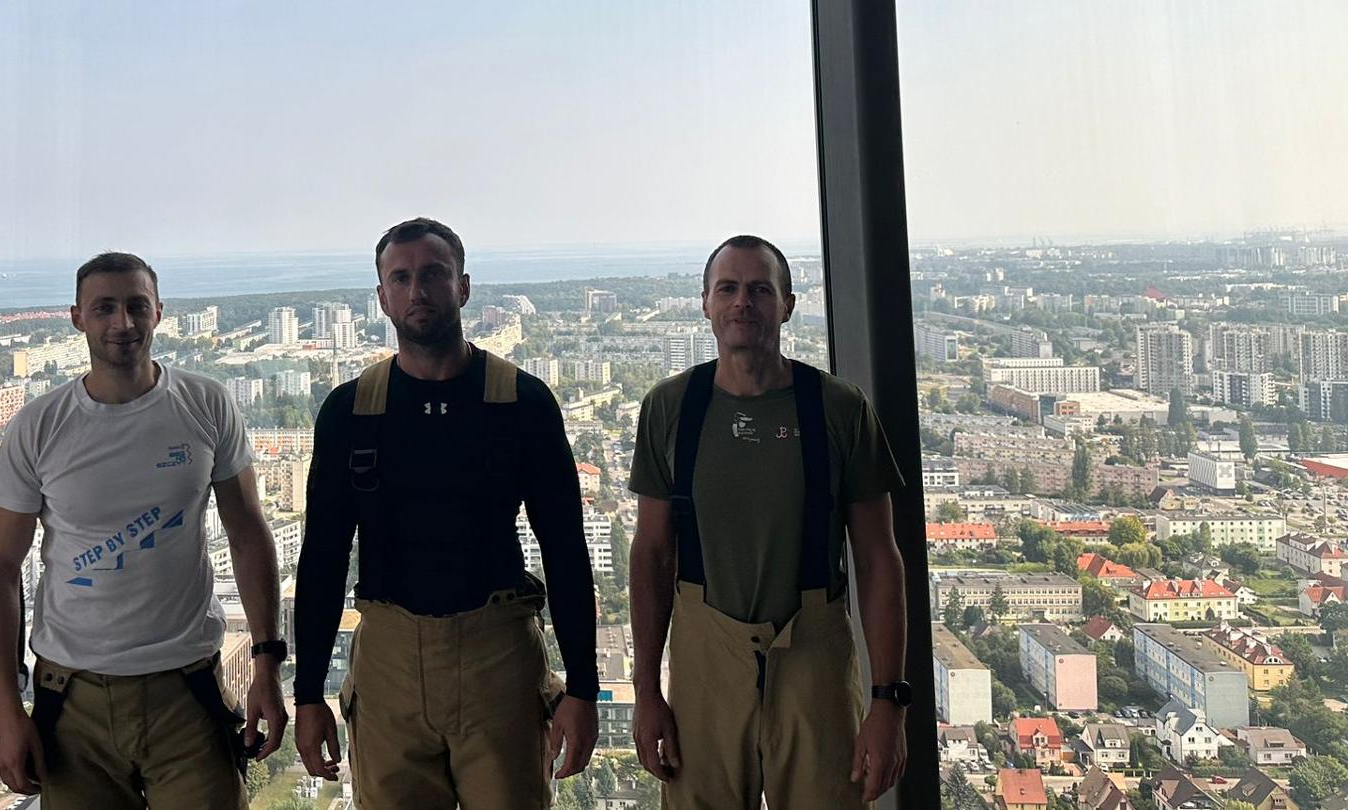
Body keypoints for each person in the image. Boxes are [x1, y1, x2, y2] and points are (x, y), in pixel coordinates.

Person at [294, 217, 599, 809]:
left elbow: (566, 551)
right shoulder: (351, 413)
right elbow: (322, 560)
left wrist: (583, 688)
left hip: (499, 660)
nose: (418, 291)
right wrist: (308, 694)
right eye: (400, 278)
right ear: (382, 297)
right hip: (388, 665)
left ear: (463, 286)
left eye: (433, 274)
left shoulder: (522, 403)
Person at [0, 252, 286, 809]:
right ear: (77, 317)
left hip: (186, 690)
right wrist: (6, 710)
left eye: (137, 306)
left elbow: (247, 531)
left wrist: (266, 660)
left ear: (159, 312)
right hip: (73, 699)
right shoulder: (39, 426)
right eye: (105, 308)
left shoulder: (205, 404)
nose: (123, 323)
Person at [628, 235, 910, 808]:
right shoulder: (670, 408)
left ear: (787, 306)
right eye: (727, 289)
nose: (743, 302)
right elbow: (652, 554)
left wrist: (888, 703)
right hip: (704, 661)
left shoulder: (840, 409)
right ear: (705, 303)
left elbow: (878, 558)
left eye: (760, 289)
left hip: (815, 654)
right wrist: (647, 692)